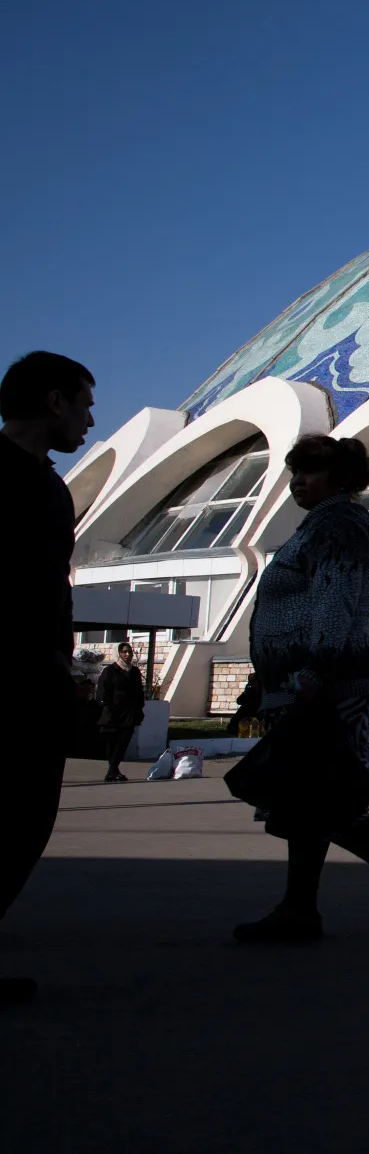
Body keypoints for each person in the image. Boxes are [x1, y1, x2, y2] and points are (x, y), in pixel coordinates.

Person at [232, 435, 369, 944]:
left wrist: (314, 673)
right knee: (309, 794)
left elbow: (335, 602)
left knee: (325, 791)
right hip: (319, 678)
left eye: (310, 471)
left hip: (337, 680)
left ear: (342, 477)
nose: (297, 482)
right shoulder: (323, 524)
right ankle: (300, 908)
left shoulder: (338, 524)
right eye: (293, 473)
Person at [0, 351, 94, 1004]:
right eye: (84, 403)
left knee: (25, 819)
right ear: (54, 401)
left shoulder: (50, 485)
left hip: (37, 674)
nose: (90, 419)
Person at [96, 641, 148, 782]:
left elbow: (139, 692)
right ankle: (113, 771)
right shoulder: (110, 671)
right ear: (118, 653)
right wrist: (107, 706)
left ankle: (112, 771)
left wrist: (139, 708)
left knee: (123, 743)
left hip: (129, 714)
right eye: (124, 652)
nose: (127, 654)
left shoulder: (134, 671)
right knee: (111, 744)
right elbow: (102, 691)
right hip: (112, 714)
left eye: (129, 652)